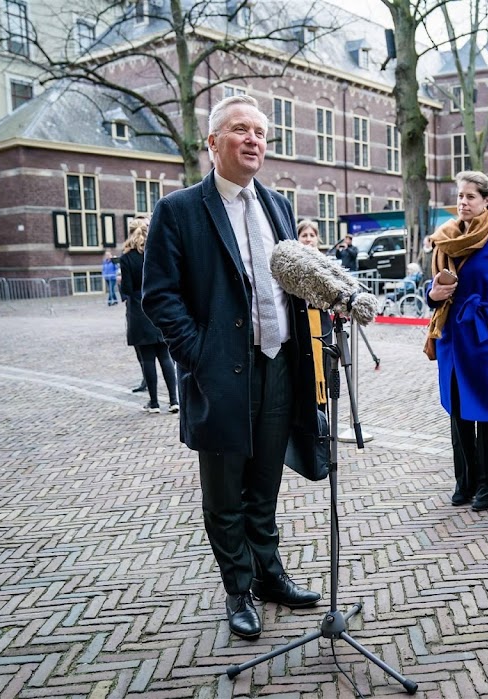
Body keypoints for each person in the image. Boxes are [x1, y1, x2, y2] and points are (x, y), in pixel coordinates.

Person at [142, 95, 322, 642]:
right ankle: (237, 587)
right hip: (219, 375)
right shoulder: (179, 210)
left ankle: (269, 575)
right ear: (213, 142)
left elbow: (291, 281)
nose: (254, 140)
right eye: (240, 130)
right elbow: (159, 295)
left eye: (261, 133)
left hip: (279, 367)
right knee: (224, 492)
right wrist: (198, 353)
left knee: (264, 483)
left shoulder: (278, 206)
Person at [425, 170, 488, 512]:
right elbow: (435, 289)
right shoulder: (448, 237)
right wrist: (433, 295)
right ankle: (466, 482)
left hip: (486, 339)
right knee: (459, 410)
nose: (463, 202)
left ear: (487, 201)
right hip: (453, 338)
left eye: (470, 196)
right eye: (460, 196)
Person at [118, 216, 178, 414]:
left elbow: (127, 288)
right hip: (157, 307)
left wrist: (122, 283)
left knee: (147, 359)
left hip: (138, 311)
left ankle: (154, 403)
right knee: (165, 357)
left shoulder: (126, 257)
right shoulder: (154, 253)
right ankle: (174, 400)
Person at [297, 219, 333, 410]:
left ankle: (321, 418)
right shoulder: (292, 264)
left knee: (323, 370)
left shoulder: (326, 264)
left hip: (322, 322)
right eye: (304, 235)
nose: (309, 239)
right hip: (301, 322)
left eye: (312, 235)